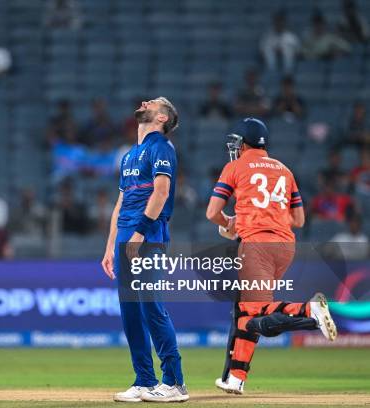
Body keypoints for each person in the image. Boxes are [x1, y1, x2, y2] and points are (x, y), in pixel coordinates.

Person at [206, 118, 337, 395]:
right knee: (245, 311)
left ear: (243, 143)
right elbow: (299, 219)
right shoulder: (284, 170)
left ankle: (308, 310)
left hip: (256, 244)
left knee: (254, 314)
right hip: (285, 247)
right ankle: (236, 378)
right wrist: (269, 216)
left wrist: (230, 222)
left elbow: (211, 213)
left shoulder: (235, 166)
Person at [101, 97, 189, 403]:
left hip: (148, 234)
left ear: (162, 118)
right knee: (131, 312)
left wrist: (139, 232)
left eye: (153, 103)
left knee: (151, 305)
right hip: (127, 236)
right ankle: (144, 380)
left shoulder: (161, 147)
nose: (145, 102)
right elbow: (121, 203)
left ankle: (175, 383)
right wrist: (111, 245)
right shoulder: (129, 156)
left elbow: (162, 192)